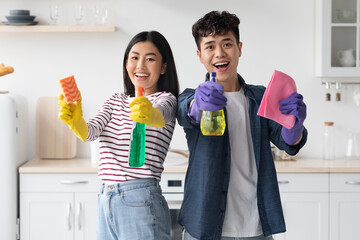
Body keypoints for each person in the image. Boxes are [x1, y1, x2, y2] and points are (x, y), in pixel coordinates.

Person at [176, 11, 307, 240]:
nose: (219, 53)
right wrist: (198, 105)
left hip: (256, 227)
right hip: (206, 227)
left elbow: (289, 142)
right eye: (210, 46)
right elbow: (186, 112)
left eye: (227, 44)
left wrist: (294, 126)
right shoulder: (191, 97)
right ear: (199, 55)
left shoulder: (261, 98)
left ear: (239, 48)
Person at [58, 30, 179, 240]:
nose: (140, 65)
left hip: (141, 198)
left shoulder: (166, 100)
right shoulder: (115, 101)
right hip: (106, 197)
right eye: (134, 58)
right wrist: (76, 121)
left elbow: (161, 114)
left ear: (164, 67)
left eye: (150, 59)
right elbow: (91, 132)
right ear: (126, 64)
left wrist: (149, 114)